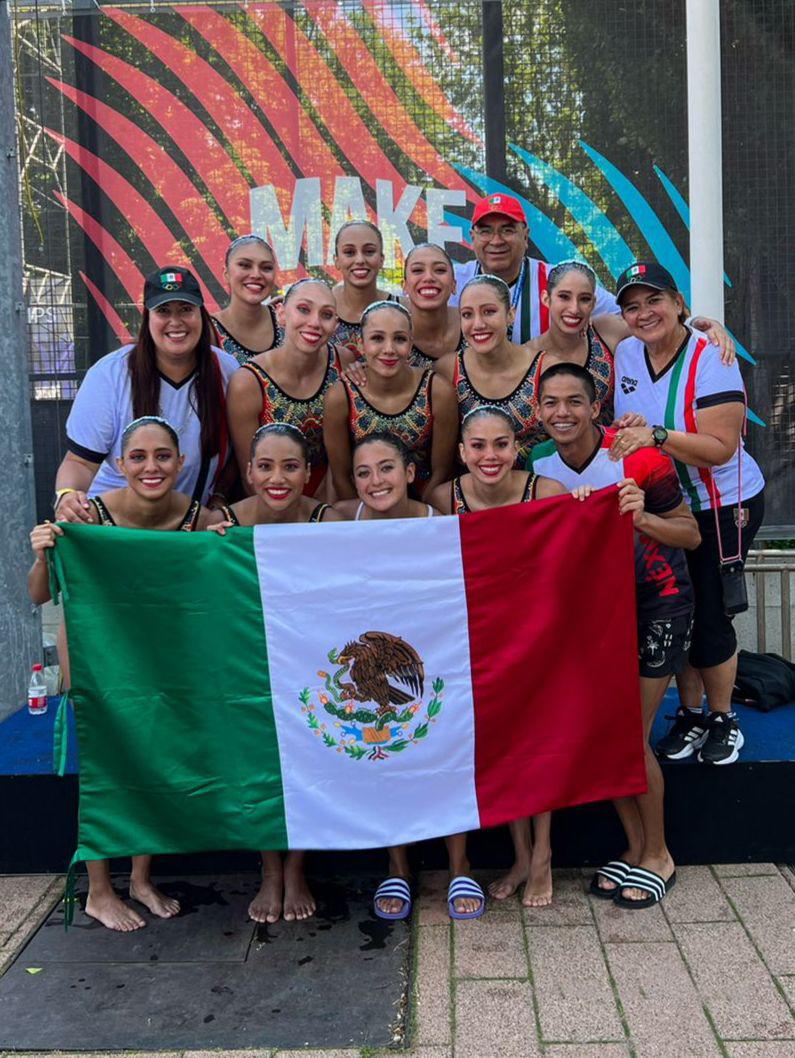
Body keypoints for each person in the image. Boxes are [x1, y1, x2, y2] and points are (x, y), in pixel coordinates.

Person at [28, 416, 213, 931]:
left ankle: (140, 879)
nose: (151, 467)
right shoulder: (89, 516)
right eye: (138, 457)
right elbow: (40, 593)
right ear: (119, 463)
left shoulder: (197, 517)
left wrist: (224, 540)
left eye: (162, 456)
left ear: (181, 462)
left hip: (160, 660)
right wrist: (44, 553)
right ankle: (99, 890)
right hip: (98, 659)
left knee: (150, 761)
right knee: (106, 766)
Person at [530, 362, 700, 908]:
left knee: (629, 734)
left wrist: (641, 518)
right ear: (537, 410)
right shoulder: (537, 464)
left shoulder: (638, 454)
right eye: (551, 402)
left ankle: (660, 856)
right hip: (594, 612)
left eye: (574, 402)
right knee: (607, 734)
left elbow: (690, 535)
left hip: (658, 603)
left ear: (594, 407)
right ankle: (635, 848)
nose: (562, 413)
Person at [611, 262, 765, 766]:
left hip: (723, 505)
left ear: (678, 303)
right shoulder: (627, 350)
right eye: (632, 306)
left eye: (654, 300)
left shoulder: (711, 357)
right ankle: (692, 713)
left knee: (711, 611)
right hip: (666, 502)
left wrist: (655, 435)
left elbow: (720, 448)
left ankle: (723, 717)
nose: (643, 313)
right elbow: (579, 317)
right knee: (678, 608)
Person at [428, 405, 566, 911]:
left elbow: (574, 548)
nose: (491, 455)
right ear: (462, 452)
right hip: (475, 639)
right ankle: (521, 855)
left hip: (536, 636)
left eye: (501, 444)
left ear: (517, 448)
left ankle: (544, 854)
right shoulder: (442, 498)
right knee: (503, 748)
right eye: (479, 446)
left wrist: (588, 505)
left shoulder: (545, 491)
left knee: (538, 742)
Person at [208, 422, 343, 923]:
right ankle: (269, 868)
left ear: (309, 473)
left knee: (311, 752)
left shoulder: (327, 521)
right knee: (255, 758)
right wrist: (208, 550)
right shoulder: (223, 524)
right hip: (247, 658)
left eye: (290, 467)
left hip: (311, 659)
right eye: (265, 467)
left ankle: (297, 867)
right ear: (248, 472)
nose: (277, 478)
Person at [54, 267, 239, 520]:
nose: (176, 321)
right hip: (115, 526)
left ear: (201, 314)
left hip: (188, 527)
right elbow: (80, 462)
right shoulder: (110, 374)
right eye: (163, 311)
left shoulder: (227, 370)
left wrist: (219, 498)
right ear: (147, 317)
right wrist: (67, 495)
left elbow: (239, 456)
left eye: (186, 309)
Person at [525, 260, 735, 426]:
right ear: (546, 299)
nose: (574, 308)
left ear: (594, 303)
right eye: (564, 297)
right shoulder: (528, 356)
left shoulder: (607, 331)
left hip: (617, 456)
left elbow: (655, 324)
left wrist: (699, 324)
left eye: (584, 299)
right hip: (548, 462)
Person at [226, 278, 355, 498]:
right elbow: (251, 478)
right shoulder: (248, 382)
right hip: (272, 498)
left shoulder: (344, 360)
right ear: (281, 313)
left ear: (335, 324)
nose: (314, 322)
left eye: (326, 315)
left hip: (332, 494)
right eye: (303, 309)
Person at [323, 301, 458, 499]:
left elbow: (442, 471)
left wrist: (418, 512)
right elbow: (341, 476)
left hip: (422, 502)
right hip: (362, 503)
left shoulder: (437, 391)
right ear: (361, 343)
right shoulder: (340, 396)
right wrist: (364, 513)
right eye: (377, 338)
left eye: (399, 339)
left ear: (411, 344)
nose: (389, 349)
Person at [451, 193, 618, 342]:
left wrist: (589, 322)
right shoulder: (454, 281)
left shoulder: (555, 279)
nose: (496, 241)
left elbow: (621, 314)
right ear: (472, 237)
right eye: (485, 232)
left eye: (507, 230)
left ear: (525, 236)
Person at [436, 274, 546, 462]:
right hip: (471, 480)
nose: (478, 324)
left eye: (489, 312)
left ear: (510, 315)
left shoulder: (545, 368)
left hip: (538, 479)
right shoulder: (447, 369)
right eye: (467, 315)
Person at [211, 235, 282, 364]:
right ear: (226, 273)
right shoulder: (207, 330)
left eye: (266, 268)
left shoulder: (286, 322)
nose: (256, 274)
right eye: (245, 265)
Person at [331, 220, 399, 356]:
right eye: (349, 252)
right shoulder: (320, 307)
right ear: (337, 261)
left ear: (381, 259)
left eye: (369, 251)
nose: (360, 260)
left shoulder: (402, 309)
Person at [402, 243, 465, 368]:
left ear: (453, 285)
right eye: (418, 270)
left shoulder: (473, 324)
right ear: (405, 286)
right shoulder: (390, 333)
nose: (429, 278)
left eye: (440, 270)